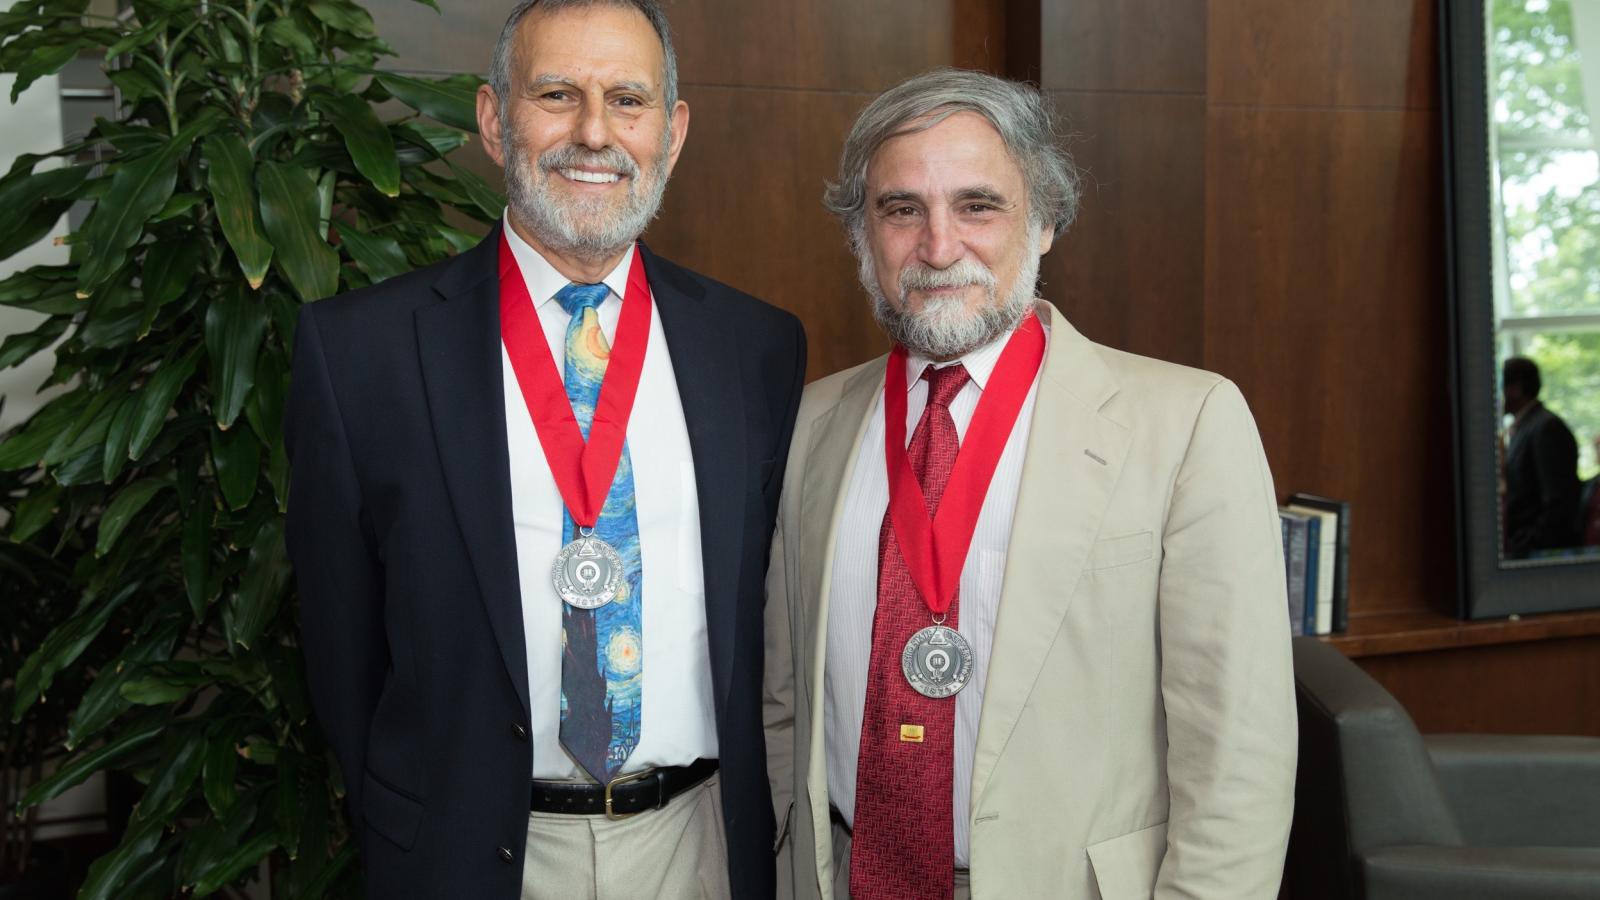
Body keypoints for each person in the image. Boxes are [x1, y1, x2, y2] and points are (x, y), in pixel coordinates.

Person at [285, 2, 805, 897]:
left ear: (672, 132)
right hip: (470, 852)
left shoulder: (757, 349)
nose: (594, 133)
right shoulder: (361, 352)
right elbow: (342, 649)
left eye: (629, 100)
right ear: (494, 120)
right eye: (558, 94)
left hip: (702, 845)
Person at [763, 69, 1295, 899]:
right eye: (902, 209)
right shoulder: (806, 426)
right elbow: (781, 704)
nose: (939, 247)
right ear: (862, 237)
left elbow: (1239, 752)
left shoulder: (1187, 425)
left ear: (1045, 221)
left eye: (978, 205)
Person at [1501, 356, 1581, 558]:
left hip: (1540, 555)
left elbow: (1558, 502)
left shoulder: (1546, 428)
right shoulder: (1527, 428)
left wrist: (1525, 546)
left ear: (1516, 388)